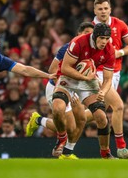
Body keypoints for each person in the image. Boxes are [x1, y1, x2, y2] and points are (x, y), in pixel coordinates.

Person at [26, 22, 95, 159]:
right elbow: (52, 70)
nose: (88, 36)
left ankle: (39, 120)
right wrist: (77, 77)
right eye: (86, 33)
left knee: (97, 111)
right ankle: (65, 152)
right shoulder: (67, 48)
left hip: (74, 88)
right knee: (71, 128)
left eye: (91, 34)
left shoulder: (93, 51)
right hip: (58, 87)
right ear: (78, 34)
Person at [51, 23, 115, 159]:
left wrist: (103, 91)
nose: (104, 42)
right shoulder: (78, 42)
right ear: (95, 36)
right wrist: (84, 77)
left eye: (107, 38)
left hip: (89, 80)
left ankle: (105, 153)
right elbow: (65, 68)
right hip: (69, 78)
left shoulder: (109, 50)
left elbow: (108, 78)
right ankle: (62, 137)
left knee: (102, 118)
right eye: (102, 38)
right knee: (57, 109)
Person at [92, 0, 128, 158]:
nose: (103, 11)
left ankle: (53, 123)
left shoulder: (119, 24)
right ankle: (121, 147)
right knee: (118, 106)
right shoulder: (91, 28)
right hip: (96, 73)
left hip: (114, 72)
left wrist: (120, 52)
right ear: (94, 11)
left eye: (105, 8)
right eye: (100, 9)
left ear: (110, 9)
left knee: (96, 111)